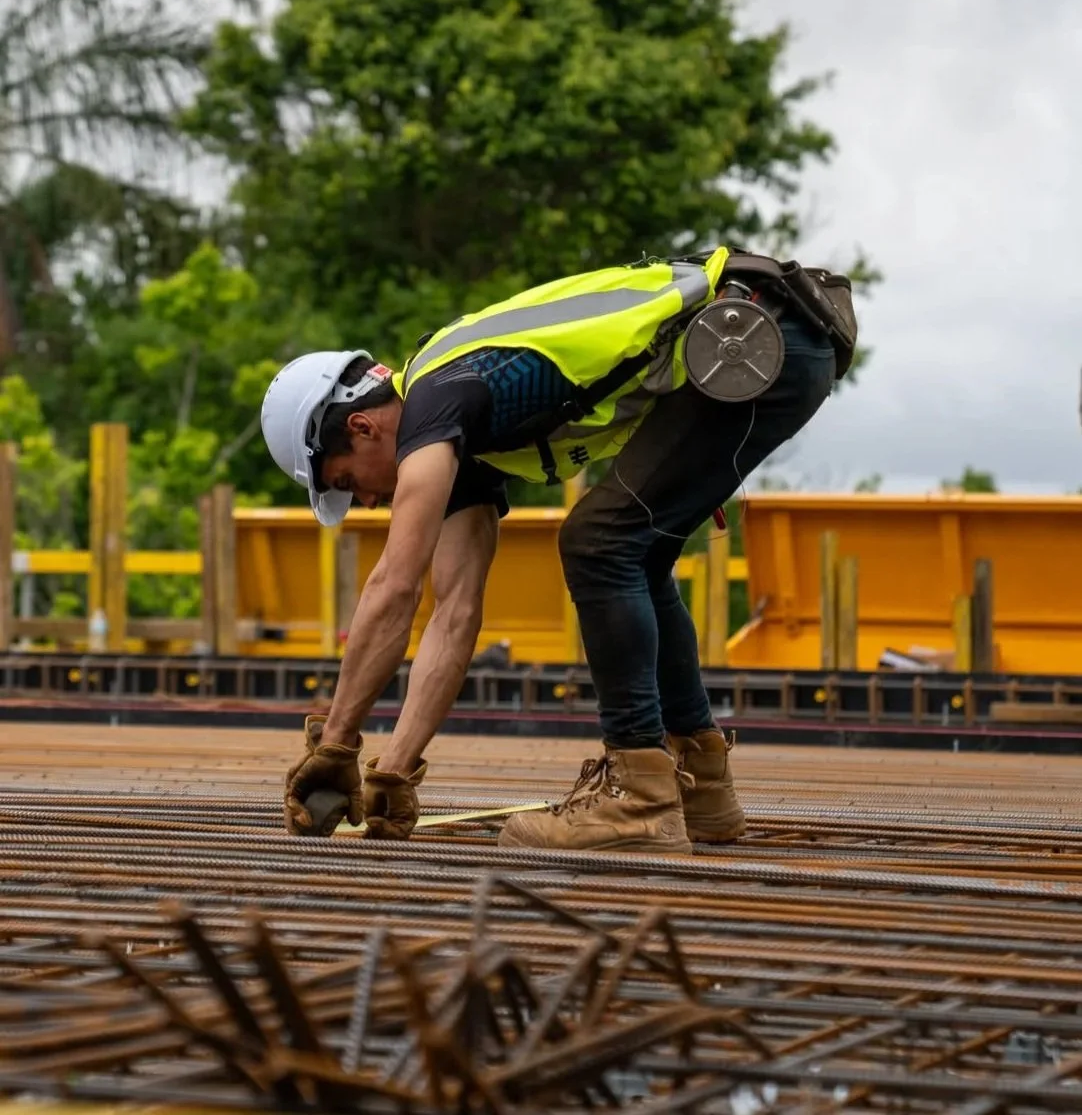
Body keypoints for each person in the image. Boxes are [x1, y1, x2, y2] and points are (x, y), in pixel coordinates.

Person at [260, 245, 850, 853]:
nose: (366, 504)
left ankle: (640, 799)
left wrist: (336, 743)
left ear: (362, 427)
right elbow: (454, 610)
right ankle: (702, 789)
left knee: (600, 543)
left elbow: (395, 587)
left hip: (749, 337)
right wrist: (395, 767)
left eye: (348, 483)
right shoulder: (458, 430)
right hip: (767, 335)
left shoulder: (438, 400)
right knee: (631, 551)